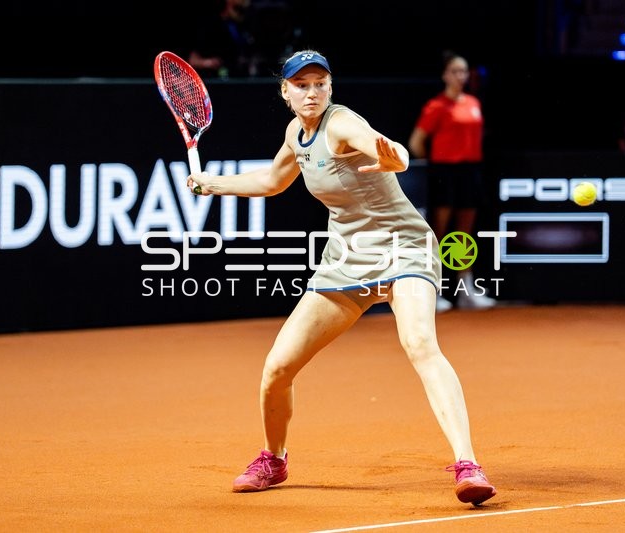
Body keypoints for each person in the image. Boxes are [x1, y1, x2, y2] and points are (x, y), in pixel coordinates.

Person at [187, 50, 497, 506]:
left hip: (403, 249)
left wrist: (396, 158)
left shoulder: (342, 122)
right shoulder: (296, 132)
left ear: (330, 88)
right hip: (347, 260)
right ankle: (273, 459)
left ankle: (468, 465)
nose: (311, 92)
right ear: (285, 91)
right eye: (301, 85)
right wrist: (214, 184)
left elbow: (389, 150)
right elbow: (273, 181)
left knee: (420, 344)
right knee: (277, 367)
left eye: (320, 83)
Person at [408, 51, 496, 312]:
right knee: (437, 234)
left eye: (464, 71)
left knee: (463, 235)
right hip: (444, 174)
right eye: (456, 71)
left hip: (470, 172)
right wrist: (436, 165)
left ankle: (465, 290)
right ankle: (431, 293)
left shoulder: (473, 102)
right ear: (445, 75)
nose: (461, 76)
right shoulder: (436, 106)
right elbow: (416, 142)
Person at [187, 0, 255, 78]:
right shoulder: (210, 26)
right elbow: (193, 60)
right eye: (237, 8)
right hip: (213, 80)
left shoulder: (242, 26)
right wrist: (208, 63)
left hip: (238, 79)